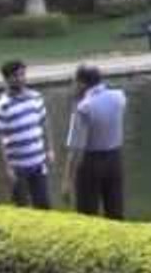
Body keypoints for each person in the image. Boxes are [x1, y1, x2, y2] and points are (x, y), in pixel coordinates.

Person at [62, 64, 127, 219]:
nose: (73, 86)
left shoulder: (84, 107)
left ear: (82, 84)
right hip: (114, 158)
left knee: (87, 212)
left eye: (75, 82)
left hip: (90, 161)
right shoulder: (119, 97)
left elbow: (75, 149)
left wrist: (67, 182)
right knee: (115, 209)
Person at [0, 60, 54, 209]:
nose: (20, 78)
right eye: (16, 76)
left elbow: (45, 123)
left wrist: (50, 149)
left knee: (44, 205)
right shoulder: (1, 107)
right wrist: (7, 168)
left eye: (22, 74)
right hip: (17, 167)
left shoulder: (36, 97)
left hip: (39, 163)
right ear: (6, 79)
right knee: (22, 207)